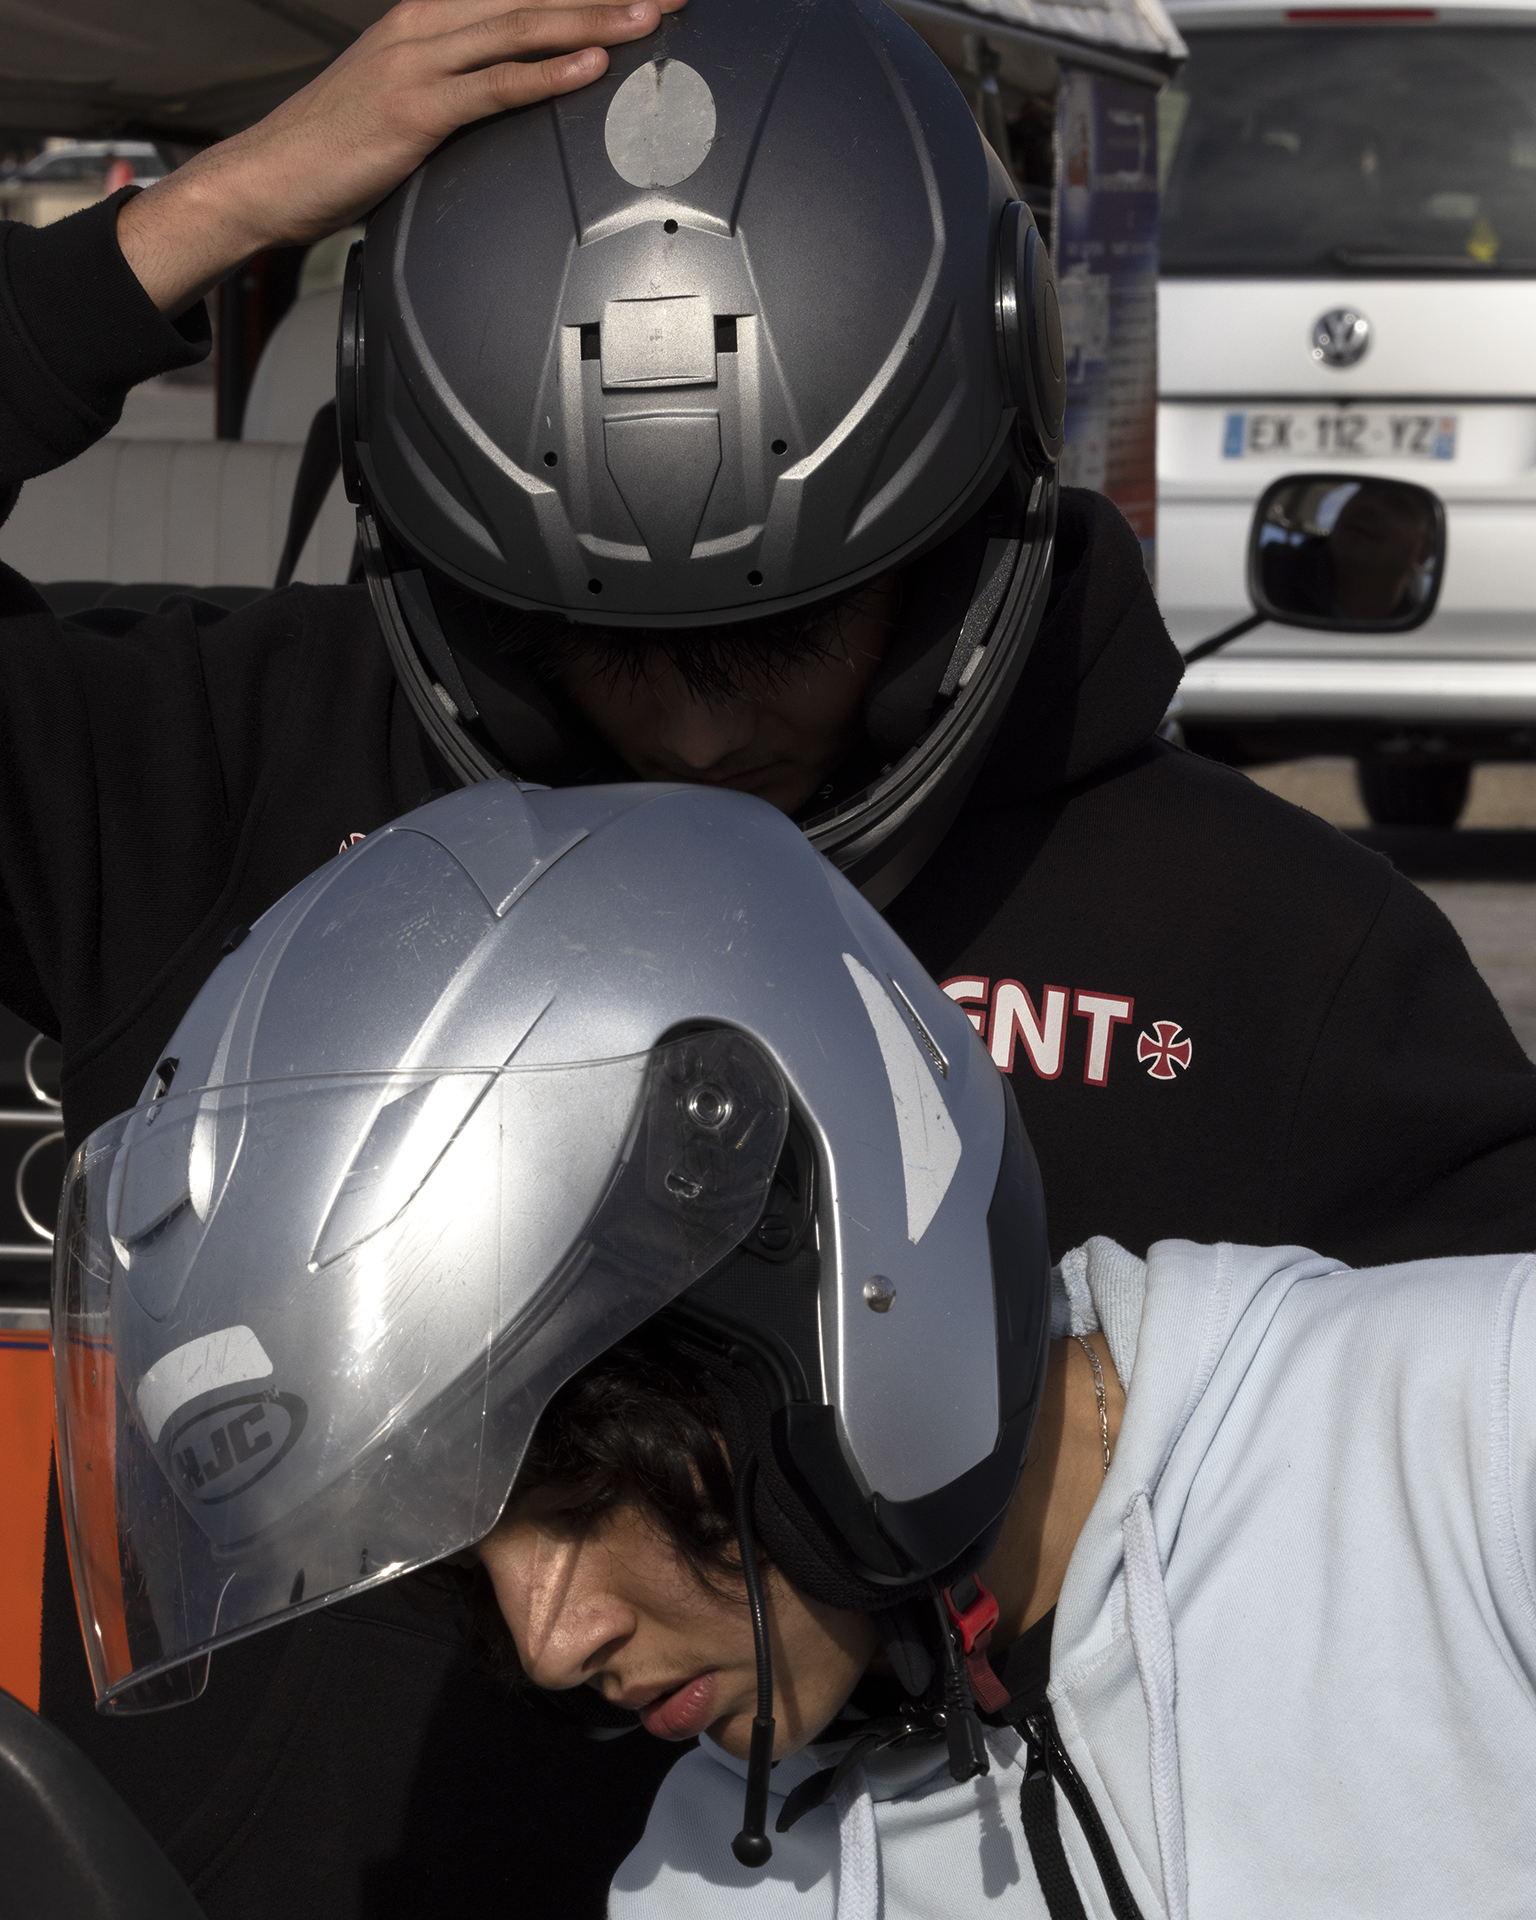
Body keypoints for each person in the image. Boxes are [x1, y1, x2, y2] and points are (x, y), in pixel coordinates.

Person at [6, 0, 1536, 1910]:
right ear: (466, 585)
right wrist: (215, 210)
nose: (701, 738)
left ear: (957, 524)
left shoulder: (1263, 957)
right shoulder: (235, 784)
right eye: (607, 651)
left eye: (783, 641)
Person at [52, 778, 1536, 1919]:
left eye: (578, 1496)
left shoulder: (1466, 1447)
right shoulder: (719, 1882)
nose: (549, 1642)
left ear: (819, 1288)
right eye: (467, 1557)